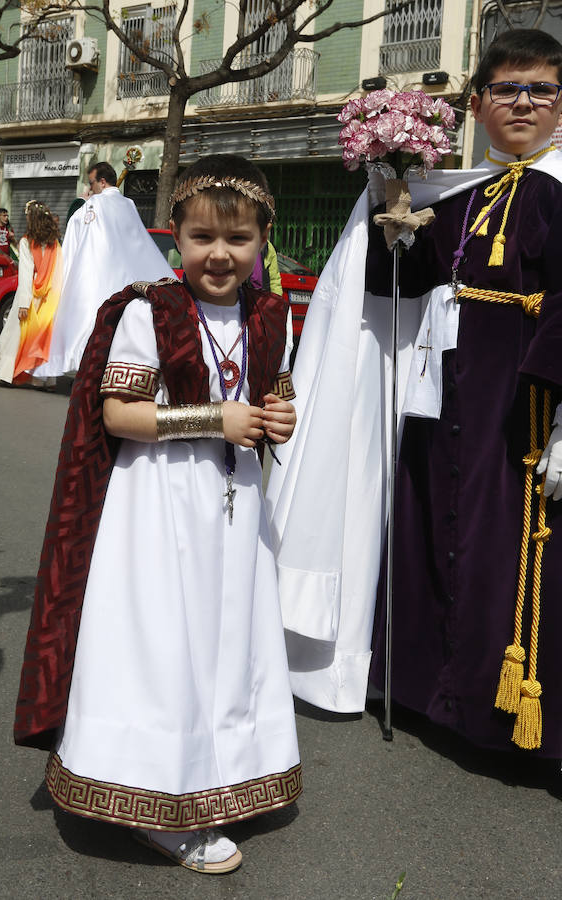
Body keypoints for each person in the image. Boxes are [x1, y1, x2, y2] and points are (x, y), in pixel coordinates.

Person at [267, 29, 562, 757]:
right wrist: (389, 194)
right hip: (438, 402)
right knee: (431, 530)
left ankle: (509, 720)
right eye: (506, 89)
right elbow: (393, 282)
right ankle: (433, 693)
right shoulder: (458, 192)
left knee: (508, 554)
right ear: (477, 103)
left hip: (522, 409)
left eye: (541, 90)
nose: (522, 103)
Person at [14, 154, 301, 873]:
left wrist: (279, 417)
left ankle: (221, 777)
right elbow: (118, 413)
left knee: (228, 642)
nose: (219, 253)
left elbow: (274, 395)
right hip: (158, 508)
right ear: (175, 236)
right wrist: (215, 419)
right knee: (163, 644)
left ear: (263, 238)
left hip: (234, 512)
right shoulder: (151, 309)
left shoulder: (271, 313)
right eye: (202, 236)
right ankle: (159, 802)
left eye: (237, 239)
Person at [31, 161, 175, 378]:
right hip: (128, 276)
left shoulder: (93, 205)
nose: (90, 189)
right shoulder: (129, 204)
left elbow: (77, 235)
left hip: (97, 276)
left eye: (92, 183)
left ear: (102, 181)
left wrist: (83, 203)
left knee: (87, 321)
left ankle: (85, 363)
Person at [0, 200, 62, 387]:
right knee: (43, 339)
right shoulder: (55, 243)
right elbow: (60, 270)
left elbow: (26, 275)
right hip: (49, 299)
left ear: (31, 219)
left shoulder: (26, 242)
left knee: (13, 336)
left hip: (30, 296)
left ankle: (7, 374)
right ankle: (45, 380)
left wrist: (23, 304)